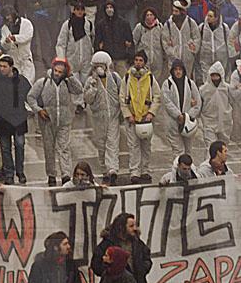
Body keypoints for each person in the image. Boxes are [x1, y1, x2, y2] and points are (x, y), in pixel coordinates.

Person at [27, 58, 83, 187]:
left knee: (64, 148)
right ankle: (51, 174)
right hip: (47, 121)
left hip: (64, 121)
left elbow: (79, 90)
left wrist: (71, 76)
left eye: (60, 72)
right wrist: (39, 110)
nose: (57, 74)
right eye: (56, 71)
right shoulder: (43, 82)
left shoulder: (67, 83)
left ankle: (66, 175)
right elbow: (31, 97)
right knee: (49, 149)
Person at [91, 213, 152, 283]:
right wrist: (110, 269)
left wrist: (142, 270)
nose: (135, 228)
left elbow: (147, 259)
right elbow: (96, 265)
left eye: (135, 225)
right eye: (131, 226)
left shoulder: (137, 242)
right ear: (121, 227)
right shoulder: (107, 243)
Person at [0, 54, 31, 185]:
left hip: (18, 119)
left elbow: (30, 95)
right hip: (2, 120)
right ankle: (9, 173)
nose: (2, 69)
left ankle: (20, 171)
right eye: (0, 66)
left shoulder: (21, 80)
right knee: (5, 148)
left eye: (4, 66)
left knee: (20, 145)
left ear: (11, 67)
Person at [120, 50, 161, 184]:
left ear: (144, 62)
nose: (138, 63)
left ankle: (145, 170)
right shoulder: (127, 78)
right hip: (132, 118)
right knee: (133, 146)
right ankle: (135, 171)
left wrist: (151, 113)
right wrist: (127, 114)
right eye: (136, 60)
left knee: (146, 147)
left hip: (146, 118)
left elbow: (157, 96)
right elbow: (122, 97)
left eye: (141, 60)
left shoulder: (150, 78)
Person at [83, 52, 122, 185]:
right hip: (98, 118)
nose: (99, 68)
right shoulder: (90, 81)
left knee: (112, 143)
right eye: (97, 66)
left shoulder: (115, 78)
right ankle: (104, 169)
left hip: (113, 116)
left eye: (102, 65)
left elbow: (122, 94)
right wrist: (93, 88)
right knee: (101, 144)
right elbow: (87, 99)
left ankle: (112, 169)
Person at [56, 3, 94, 113]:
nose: (80, 12)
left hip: (86, 58)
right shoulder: (67, 25)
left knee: (85, 82)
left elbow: (93, 39)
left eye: (82, 9)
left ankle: (84, 101)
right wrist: (61, 59)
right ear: (74, 10)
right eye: (77, 9)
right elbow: (61, 43)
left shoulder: (88, 24)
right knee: (75, 83)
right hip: (72, 59)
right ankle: (79, 104)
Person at [161, 59, 201, 155]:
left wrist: (187, 116)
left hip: (188, 123)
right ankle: (178, 165)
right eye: (176, 69)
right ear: (172, 71)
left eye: (180, 69)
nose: (178, 72)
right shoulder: (167, 84)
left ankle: (188, 165)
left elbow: (198, 102)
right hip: (173, 122)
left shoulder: (190, 83)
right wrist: (178, 115)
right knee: (178, 151)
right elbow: (167, 102)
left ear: (183, 70)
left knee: (188, 151)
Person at [161, 0, 200, 78]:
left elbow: (197, 38)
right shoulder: (168, 24)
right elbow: (165, 41)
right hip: (173, 59)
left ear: (183, 12)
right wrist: (172, 52)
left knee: (187, 78)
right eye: (173, 11)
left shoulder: (191, 23)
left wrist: (192, 50)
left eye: (176, 11)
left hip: (188, 59)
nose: (174, 13)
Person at [96, 0, 134, 77]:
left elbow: (130, 41)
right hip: (107, 59)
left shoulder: (123, 23)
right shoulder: (101, 25)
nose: (109, 9)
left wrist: (130, 57)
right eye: (107, 7)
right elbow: (97, 42)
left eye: (111, 7)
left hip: (121, 58)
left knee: (123, 80)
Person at [199, 61, 232, 148]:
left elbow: (233, 102)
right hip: (209, 121)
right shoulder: (203, 89)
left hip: (224, 121)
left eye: (217, 76)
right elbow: (199, 105)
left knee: (223, 147)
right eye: (212, 76)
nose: (215, 78)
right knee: (210, 146)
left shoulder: (227, 88)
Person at [0, 5, 35, 87]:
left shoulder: (26, 23)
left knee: (28, 84)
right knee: (15, 85)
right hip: (14, 61)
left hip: (25, 59)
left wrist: (15, 38)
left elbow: (28, 36)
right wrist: (7, 42)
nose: (7, 17)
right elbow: (5, 46)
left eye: (8, 15)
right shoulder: (4, 28)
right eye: (5, 16)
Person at [133, 7, 165, 82]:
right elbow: (134, 40)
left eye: (151, 15)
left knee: (157, 79)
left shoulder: (160, 27)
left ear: (155, 16)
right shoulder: (140, 27)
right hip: (144, 58)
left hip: (157, 57)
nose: (149, 17)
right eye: (147, 15)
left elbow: (163, 41)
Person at [198, 9, 230, 80]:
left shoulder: (224, 28)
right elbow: (198, 41)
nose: (208, 18)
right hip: (206, 58)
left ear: (216, 18)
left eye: (210, 16)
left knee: (221, 78)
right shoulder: (202, 27)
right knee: (206, 78)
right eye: (207, 15)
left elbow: (229, 42)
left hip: (221, 59)